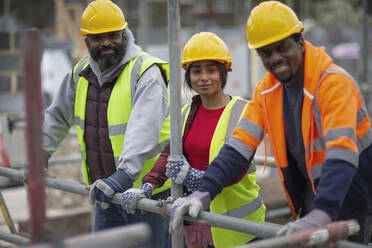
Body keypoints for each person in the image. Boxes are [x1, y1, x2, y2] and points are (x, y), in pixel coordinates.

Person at [170, 1, 372, 244]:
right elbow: (239, 147)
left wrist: (324, 212)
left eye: (282, 48)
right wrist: (204, 191)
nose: (275, 58)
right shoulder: (268, 90)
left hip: (355, 198)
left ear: (299, 42)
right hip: (312, 201)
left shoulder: (332, 84)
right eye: (266, 52)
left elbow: (342, 151)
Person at [41, 0, 171, 247]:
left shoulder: (145, 72)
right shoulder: (80, 73)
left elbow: (144, 128)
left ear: (125, 34)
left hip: (147, 197)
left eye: (112, 36)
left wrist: (124, 176)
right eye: (98, 38)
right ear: (86, 40)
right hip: (105, 195)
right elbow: (57, 115)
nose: (106, 43)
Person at [121, 32, 266, 248]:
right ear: (188, 77)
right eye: (196, 71)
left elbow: (237, 167)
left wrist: (195, 177)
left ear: (223, 73)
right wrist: (146, 186)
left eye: (211, 70)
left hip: (236, 226)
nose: (204, 77)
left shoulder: (242, 111)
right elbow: (171, 153)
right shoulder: (186, 112)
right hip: (196, 223)